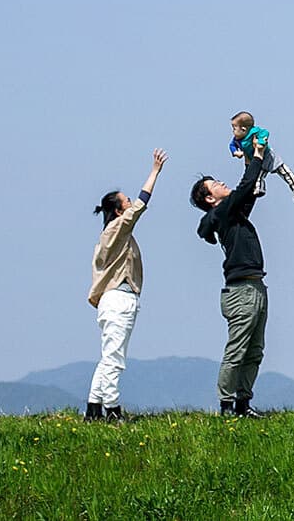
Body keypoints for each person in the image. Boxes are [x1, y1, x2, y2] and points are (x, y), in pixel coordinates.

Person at [192, 138, 274, 417]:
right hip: (242, 292)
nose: (221, 183)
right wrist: (258, 156)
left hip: (255, 287)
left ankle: (243, 403)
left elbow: (247, 192)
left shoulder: (230, 214)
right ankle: (227, 406)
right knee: (238, 350)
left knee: (255, 350)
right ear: (210, 198)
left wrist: (250, 160)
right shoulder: (223, 212)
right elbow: (244, 188)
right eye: (215, 184)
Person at [86, 148, 166, 422]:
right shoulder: (117, 230)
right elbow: (140, 207)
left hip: (109, 301)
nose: (130, 204)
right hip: (120, 299)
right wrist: (154, 172)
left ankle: (94, 408)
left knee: (107, 356)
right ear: (119, 210)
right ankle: (112, 410)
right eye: (126, 202)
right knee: (115, 358)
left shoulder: (107, 236)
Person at [227, 110, 294, 200]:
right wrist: (236, 152)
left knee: (283, 170)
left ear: (243, 129)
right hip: (257, 159)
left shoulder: (254, 132)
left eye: (234, 129)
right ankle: (259, 190)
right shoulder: (237, 140)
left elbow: (265, 133)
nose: (233, 132)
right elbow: (231, 146)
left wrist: (261, 142)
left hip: (267, 155)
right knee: (258, 175)